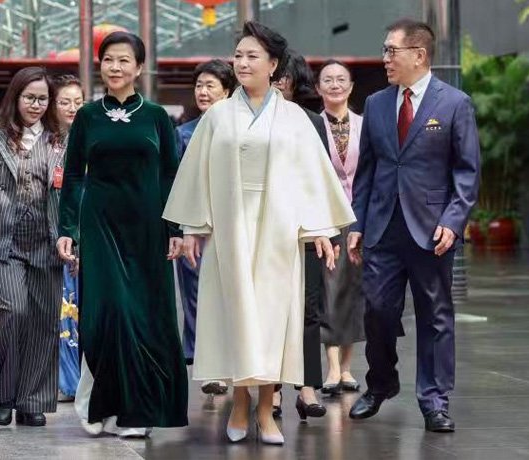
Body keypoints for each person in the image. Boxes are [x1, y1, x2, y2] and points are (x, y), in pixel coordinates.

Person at [164, 22, 354, 445]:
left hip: (279, 231)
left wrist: (321, 230)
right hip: (230, 229)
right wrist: (192, 228)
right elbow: (196, 174)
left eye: (253, 56)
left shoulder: (294, 118)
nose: (243, 62)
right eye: (239, 55)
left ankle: (267, 409)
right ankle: (239, 402)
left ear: (273, 65)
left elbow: (312, 177)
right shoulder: (217, 116)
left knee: (272, 320)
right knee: (234, 317)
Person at [347, 19, 480, 433]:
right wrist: (357, 223)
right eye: (385, 50)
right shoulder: (376, 104)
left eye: (392, 50)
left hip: (432, 230)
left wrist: (453, 222)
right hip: (382, 227)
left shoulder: (454, 103)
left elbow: (467, 171)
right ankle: (381, 383)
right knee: (377, 311)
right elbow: (367, 171)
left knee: (435, 316)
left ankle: (434, 400)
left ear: (419, 55)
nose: (385, 58)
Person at [57, 31, 188, 438]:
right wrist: (68, 229)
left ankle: (137, 411)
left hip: (147, 228)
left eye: (124, 60)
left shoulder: (156, 117)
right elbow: (74, 175)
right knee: (105, 314)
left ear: (139, 67)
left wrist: (175, 228)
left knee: (143, 316)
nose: (115, 67)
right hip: (100, 227)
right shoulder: (87, 116)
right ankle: (102, 405)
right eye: (109, 60)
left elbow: (170, 175)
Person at [0, 67, 65, 428]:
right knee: (15, 313)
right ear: (16, 98)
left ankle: (32, 401)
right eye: (29, 98)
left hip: (47, 243)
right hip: (5, 243)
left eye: (42, 99)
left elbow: (69, 194)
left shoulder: (60, 141)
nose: (36, 105)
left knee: (44, 322)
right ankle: (6, 394)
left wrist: (71, 238)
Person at [270, 48, 331, 421]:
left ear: (296, 82)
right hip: (265, 229)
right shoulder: (251, 122)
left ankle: (307, 387)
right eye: (274, 78)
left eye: (284, 79)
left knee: (309, 307)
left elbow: (320, 180)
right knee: (272, 310)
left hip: (305, 228)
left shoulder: (311, 122)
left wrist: (322, 228)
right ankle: (273, 390)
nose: (278, 85)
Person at [174, 59, 236, 397]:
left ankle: (234, 361)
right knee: (196, 297)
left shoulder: (240, 129)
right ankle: (209, 367)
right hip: (195, 228)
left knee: (231, 295)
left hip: (233, 225)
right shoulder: (184, 133)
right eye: (199, 85)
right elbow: (176, 185)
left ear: (227, 91)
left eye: (211, 85)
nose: (203, 91)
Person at [314, 60, 367, 395]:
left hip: (360, 218)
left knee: (354, 292)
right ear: (318, 88)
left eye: (341, 79)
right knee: (330, 291)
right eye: (328, 80)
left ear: (350, 87)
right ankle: (332, 368)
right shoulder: (311, 126)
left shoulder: (365, 125)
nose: (334, 85)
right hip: (325, 220)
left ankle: (347, 368)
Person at [51, 74, 85, 403]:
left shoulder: (91, 140)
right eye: (65, 102)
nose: (72, 108)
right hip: (52, 234)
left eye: (78, 102)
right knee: (61, 309)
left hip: (84, 234)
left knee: (79, 308)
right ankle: (64, 380)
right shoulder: (45, 143)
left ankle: (82, 379)